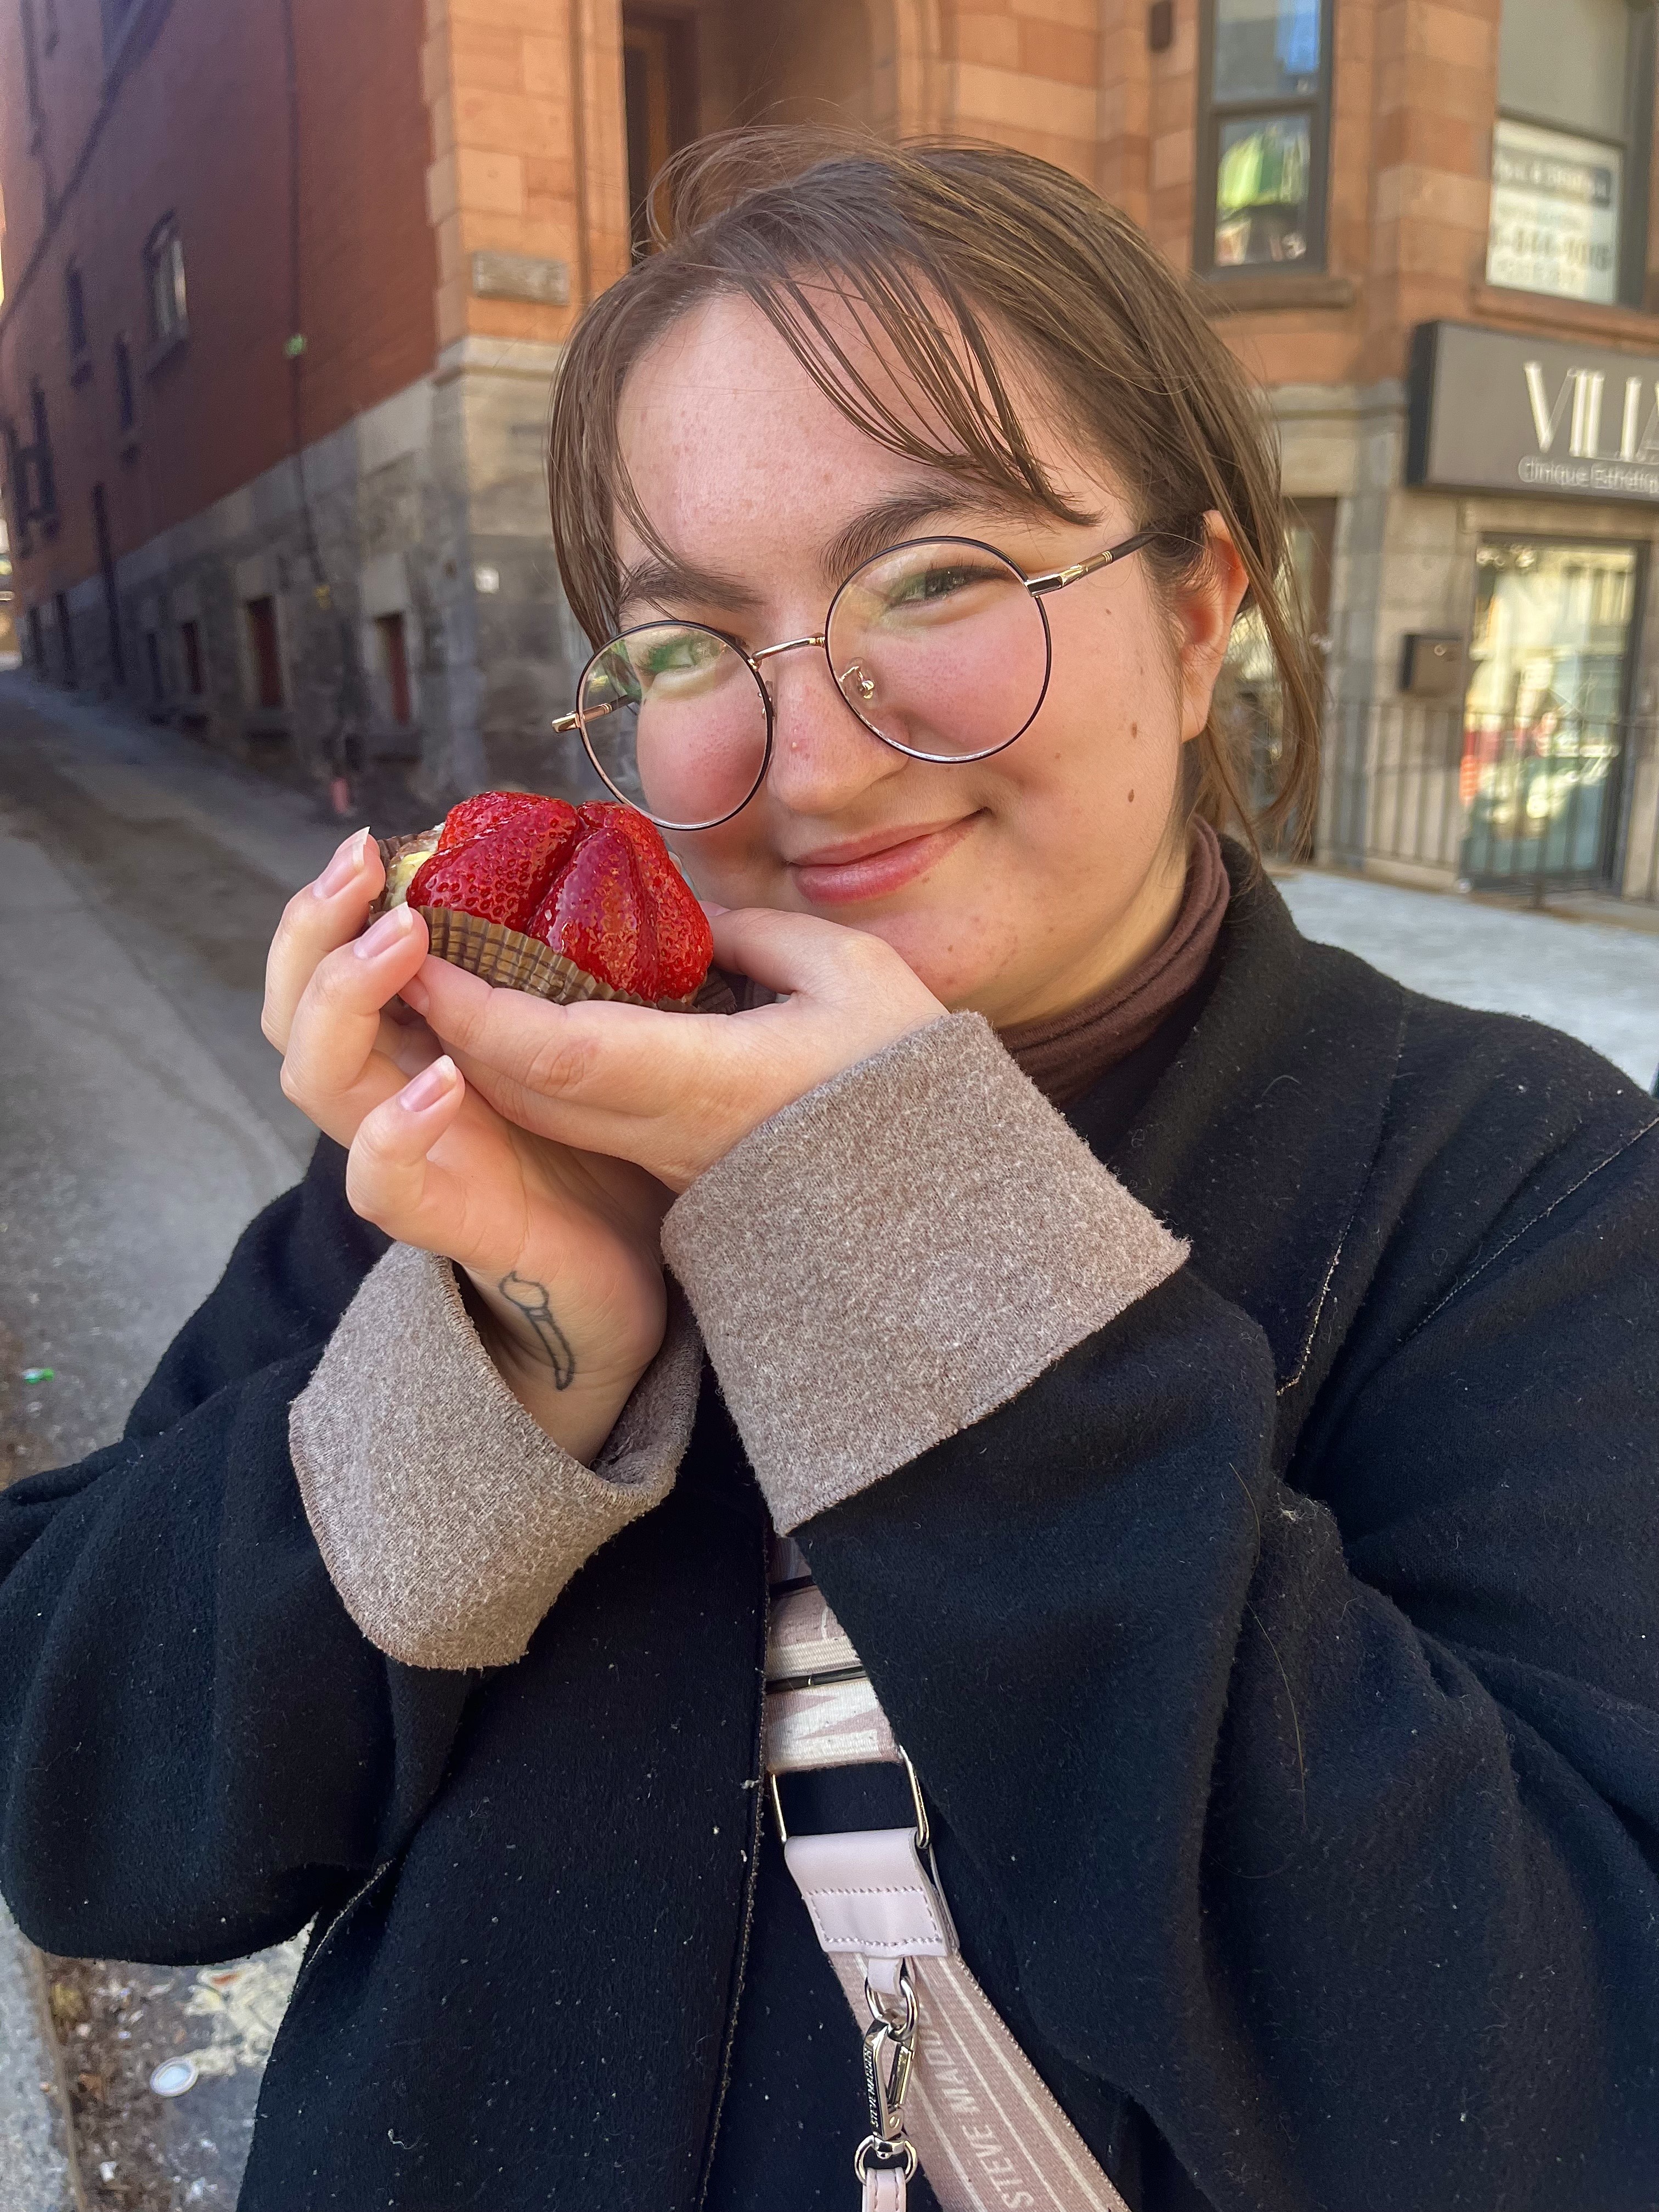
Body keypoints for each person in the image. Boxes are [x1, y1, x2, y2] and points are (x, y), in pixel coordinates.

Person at [3, 131, 1657, 2212]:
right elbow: (90, 1819)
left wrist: (908, 1250)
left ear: (1201, 601)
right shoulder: (512, 1146)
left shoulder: (1521, 1191)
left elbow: (1552, 2088)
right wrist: (523, 1349)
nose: (817, 750)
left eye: (941, 576)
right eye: (692, 642)